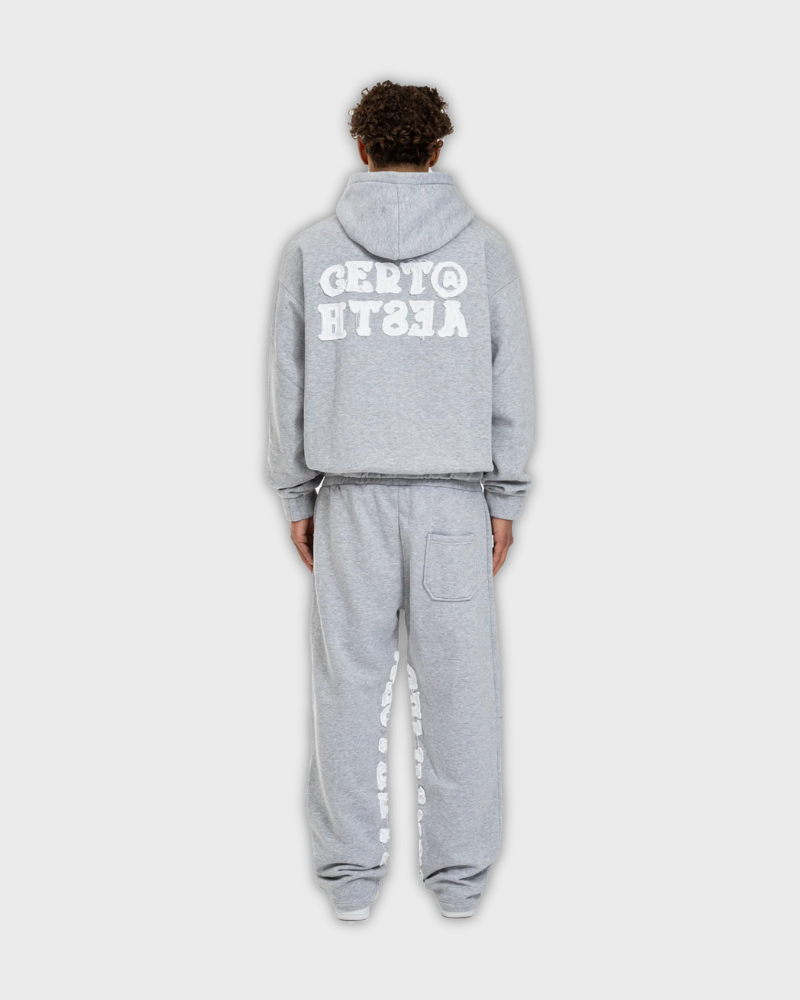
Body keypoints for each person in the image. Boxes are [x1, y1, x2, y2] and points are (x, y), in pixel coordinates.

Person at [267, 81, 534, 921]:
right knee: (461, 695)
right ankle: (460, 884)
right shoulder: (483, 251)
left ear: (362, 148)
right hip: (453, 504)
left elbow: (286, 385)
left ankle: (349, 880)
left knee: (346, 689)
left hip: (349, 503)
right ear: (437, 150)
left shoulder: (312, 253)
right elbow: (511, 380)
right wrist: (505, 494)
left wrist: (296, 493)